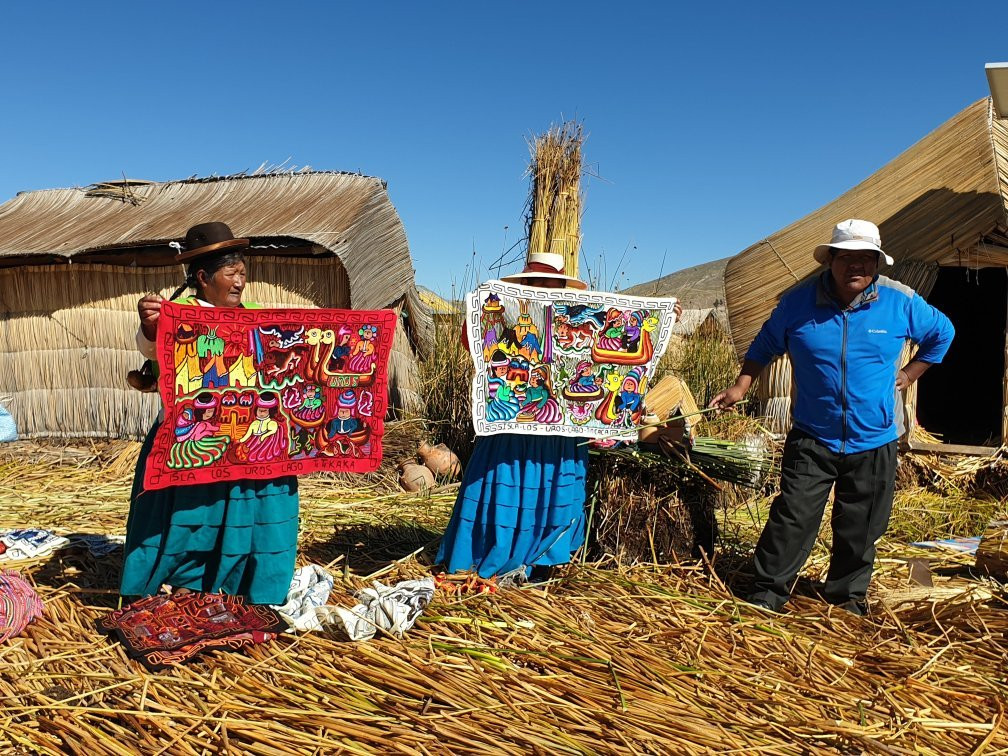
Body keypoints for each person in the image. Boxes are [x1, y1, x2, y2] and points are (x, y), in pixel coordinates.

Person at [710, 219, 954, 615]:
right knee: (793, 516)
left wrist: (910, 374)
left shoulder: (901, 301)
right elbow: (765, 344)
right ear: (831, 260)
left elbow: (943, 333)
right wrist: (741, 386)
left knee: (862, 525)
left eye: (866, 258)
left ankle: (846, 599)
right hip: (813, 433)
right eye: (846, 258)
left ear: (877, 261)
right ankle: (768, 593)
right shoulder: (797, 302)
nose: (856, 266)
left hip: (874, 436)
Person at [436, 252, 682, 580]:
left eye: (549, 284)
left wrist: (663, 317)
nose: (542, 289)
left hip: (560, 437)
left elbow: (623, 348)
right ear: (524, 285)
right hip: (511, 433)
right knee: (505, 487)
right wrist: (482, 309)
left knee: (554, 492)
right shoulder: (508, 315)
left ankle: (540, 559)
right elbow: (475, 343)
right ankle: (490, 552)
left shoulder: (578, 318)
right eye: (535, 284)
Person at [121, 222, 299, 605]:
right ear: (203, 277)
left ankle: (242, 584)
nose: (239, 283)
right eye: (230, 274)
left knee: (252, 513)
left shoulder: (255, 315)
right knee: (190, 519)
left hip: (248, 440)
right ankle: (183, 581)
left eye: (243, 274)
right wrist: (151, 325)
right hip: (192, 438)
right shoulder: (178, 314)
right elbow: (150, 349)